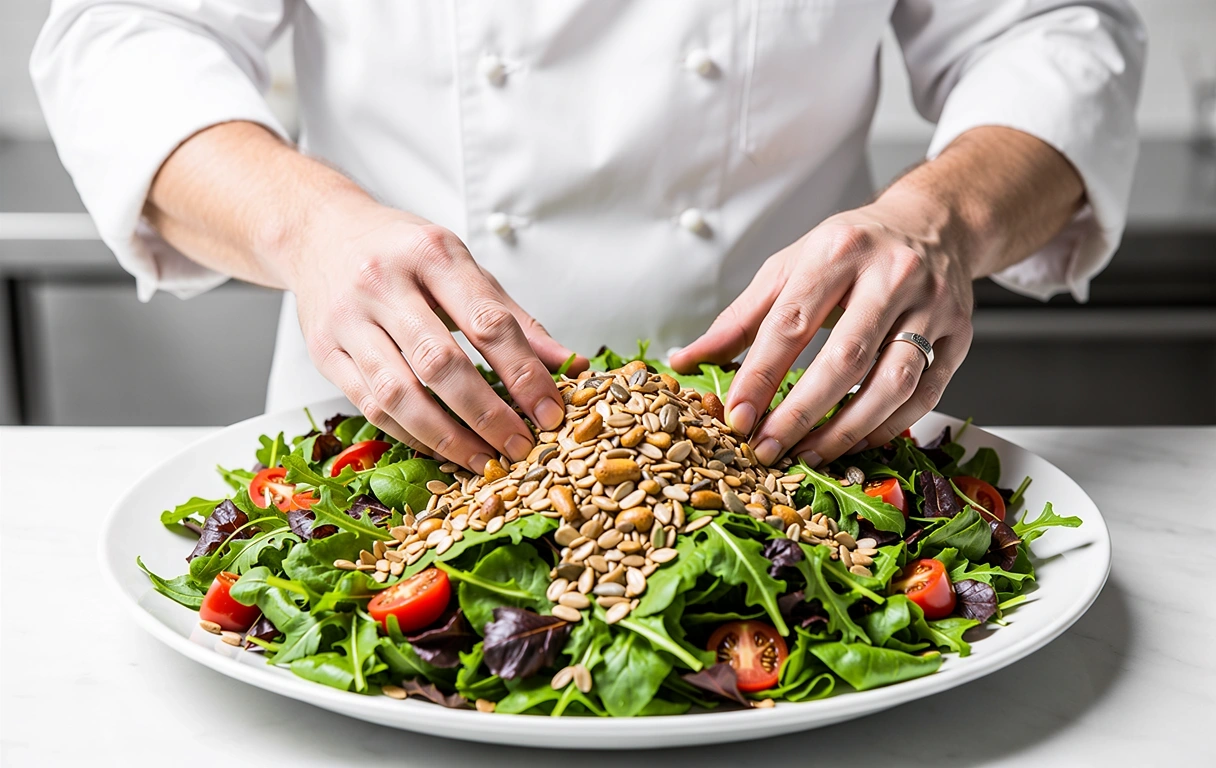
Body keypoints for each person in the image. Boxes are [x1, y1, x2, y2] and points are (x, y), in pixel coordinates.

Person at [31, 1, 1145, 473]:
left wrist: (936, 219)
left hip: (796, 443)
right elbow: (124, 31)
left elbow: (1047, 27)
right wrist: (308, 224)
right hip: (399, 432)